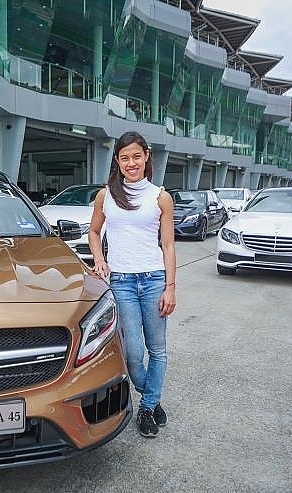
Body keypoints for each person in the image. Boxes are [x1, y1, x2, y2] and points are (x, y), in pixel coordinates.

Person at [88, 131, 176, 437]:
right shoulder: (105, 196)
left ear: (147, 156)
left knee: (158, 348)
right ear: (117, 161)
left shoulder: (160, 197)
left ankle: (147, 408)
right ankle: (152, 396)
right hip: (122, 282)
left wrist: (171, 287)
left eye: (136, 156)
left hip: (154, 280)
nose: (131, 163)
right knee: (133, 353)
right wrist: (99, 260)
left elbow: (168, 246)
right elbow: (94, 233)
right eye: (125, 158)